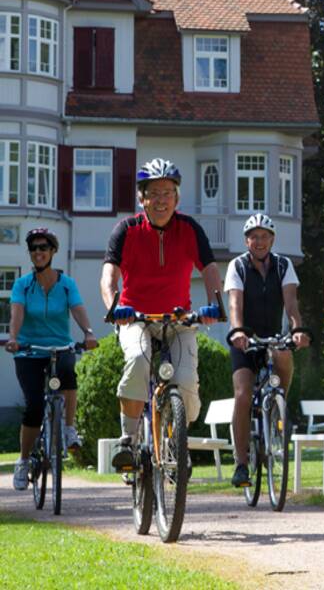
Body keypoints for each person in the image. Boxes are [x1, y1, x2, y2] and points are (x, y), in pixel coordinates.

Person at [100, 158, 223, 472]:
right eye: (154, 193)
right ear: (142, 199)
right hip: (135, 317)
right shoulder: (126, 230)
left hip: (178, 318)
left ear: (177, 198)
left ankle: (174, 434)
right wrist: (114, 307)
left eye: (168, 192)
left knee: (186, 385)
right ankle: (128, 439)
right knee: (138, 361)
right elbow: (108, 276)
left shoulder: (189, 229)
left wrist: (214, 305)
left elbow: (209, 270)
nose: (161, 199)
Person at [6, 228, 98, 491]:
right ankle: (24, 460)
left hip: (59, 347)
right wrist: (13, 338)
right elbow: (17, 313)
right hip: (29, 351)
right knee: (34, 406)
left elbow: (78, 310)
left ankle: (69, 428)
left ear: (53, 251)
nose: (38, 252)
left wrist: (88, 333)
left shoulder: (66, 284)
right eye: (34, 248)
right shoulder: (23, 284)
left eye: (44, 247)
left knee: (68, 369)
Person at [225, 213, 310, 487]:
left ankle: (278, 406)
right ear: (247, 240)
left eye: (264, 236)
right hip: (245, 340)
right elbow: (235, 305)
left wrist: (297, 330)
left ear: (272, 239)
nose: (259, 241)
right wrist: (238, 331)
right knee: (243, 394)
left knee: (284, 354)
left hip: (273, 336)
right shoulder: (237, 266)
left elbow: (292, 305)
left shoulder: (284, 265)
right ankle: (241, 463)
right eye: (254, 237)